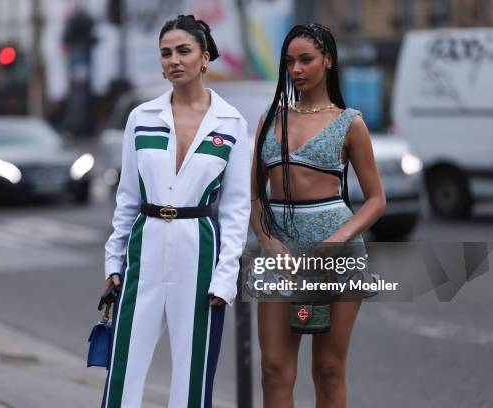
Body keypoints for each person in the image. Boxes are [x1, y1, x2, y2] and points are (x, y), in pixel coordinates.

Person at [101, 15, 251, 408]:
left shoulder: (231, 122)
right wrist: (113, 263)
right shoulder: (141, 118)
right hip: (145, 245)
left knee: (193, 370)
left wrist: (226, 275)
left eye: (183, 51)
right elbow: (127, 197)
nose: (174, 60)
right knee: (124, 365)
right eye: (166, 53)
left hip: (198, 247)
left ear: (205, 58)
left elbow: (237, 206)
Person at [250, 23, 386, 407]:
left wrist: (337, 239)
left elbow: (376, 199)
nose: (296, 69)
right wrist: (268, 242)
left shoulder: (350, 122)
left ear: (328, 60)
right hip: (280, 257)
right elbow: (255, 197)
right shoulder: (270, 119)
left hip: (336, 257)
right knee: (275, 369)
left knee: (328, 368)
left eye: (306, 59)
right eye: (290, 61)